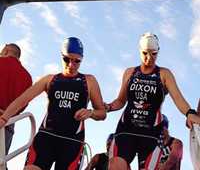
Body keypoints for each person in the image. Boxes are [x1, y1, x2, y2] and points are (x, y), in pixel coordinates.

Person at [0, 37, 106, 170]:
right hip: (46, 137)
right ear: (61, 56)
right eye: (67, 59)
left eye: (76, 61)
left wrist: (90, 113)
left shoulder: (89, 81)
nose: (71, 65)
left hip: (72, 142)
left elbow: (102, 113)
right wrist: (4, 118)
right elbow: (23, 99)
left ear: (81, 59)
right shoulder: (50, 80)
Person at [104, 32, 200, 170]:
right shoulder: (129, 72)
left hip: (151, 134)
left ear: (158, 52)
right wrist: (108, 107)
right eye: (145, 53)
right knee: (115, 166)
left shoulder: (164, 74)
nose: (149, 58)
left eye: (154, 54)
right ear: (139, 50)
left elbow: (178, 98)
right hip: (126, 130)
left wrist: (189, 113)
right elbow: (120, 100)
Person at [0, 43, 32, 159]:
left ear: (6, 51)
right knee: (1, 159)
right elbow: (23, 103)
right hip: (8, 122)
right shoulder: (27, 77)